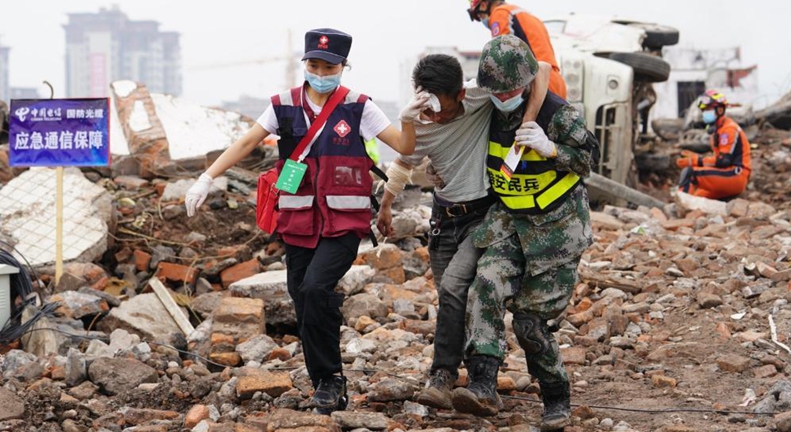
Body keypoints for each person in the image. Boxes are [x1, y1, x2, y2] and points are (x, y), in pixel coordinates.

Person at [184, 28, 423, 414]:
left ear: (343, 67)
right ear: (305, 64)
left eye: (328, 65)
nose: (320, 71)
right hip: (298, 222)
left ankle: (330, 379)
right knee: (304, 299)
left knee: (314, 289)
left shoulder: (360, 107)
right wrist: (207, 177)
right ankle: (324, 382)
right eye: (313, 64)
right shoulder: (283, 105)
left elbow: (405, 147)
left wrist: (409, 120)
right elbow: (247, 142)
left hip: (344, 225)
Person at [376, 54, 551, 410]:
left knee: (459, 287)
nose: (435, 117)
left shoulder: (479, 95)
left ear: (460, 94)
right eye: (428, 107)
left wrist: (528, 125)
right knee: (451, 298)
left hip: (481, 214)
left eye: (441, 108)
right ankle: (471, 379)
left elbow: (543, 69)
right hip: (443, 218)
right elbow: (402, 161)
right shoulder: (417, 122)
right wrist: (385, 205)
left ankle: (443, 375)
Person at [451, 35, 598, 431]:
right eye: (495, 91)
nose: (503, 97)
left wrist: (553, 149)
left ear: (526, 81)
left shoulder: (558, 115)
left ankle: (555, 396)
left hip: (556, 229)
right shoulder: (489, 111)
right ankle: (482, 384)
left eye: (511, 90)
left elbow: (588, 161)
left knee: (530, 322)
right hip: (509, 223)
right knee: (486, 285)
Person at [466, 0, 567, 99]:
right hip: (555, 81)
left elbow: (501, 57)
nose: (482, 20)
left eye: (479, 16)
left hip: (538, 83)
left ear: (483, 6)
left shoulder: (500, 13)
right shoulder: (526, 16)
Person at [676, 89, 751, 199]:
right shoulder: (718, 129)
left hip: (735, 175)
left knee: (690, 173)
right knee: (698, 198)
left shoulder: (728, 129)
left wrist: (697, 161)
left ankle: (679, 206)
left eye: (709, 109)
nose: (706, 113)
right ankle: (689, 213)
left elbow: (723, 161)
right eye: (704, 110)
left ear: (720, 110)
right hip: (727, 174)